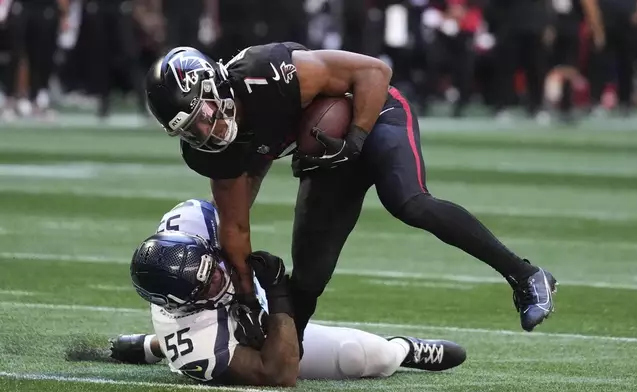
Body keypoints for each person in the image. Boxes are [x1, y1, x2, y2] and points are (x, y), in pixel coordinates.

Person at [143, 42, 558, 356]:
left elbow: (375, 72)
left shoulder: (264, 73)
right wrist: (248, 298)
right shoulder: (210, 150)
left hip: (372, 116)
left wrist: (356, 140)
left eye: (203, 113)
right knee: (308, 275)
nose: (206, 129)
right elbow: (235, 226)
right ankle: (289, 354)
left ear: (213, 82)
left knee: (408, 201)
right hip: (328, 153)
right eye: (191, 128)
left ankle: (526, 276)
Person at [109, 199, 467, 387]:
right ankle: (403, 349)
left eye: (214, 266)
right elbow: (279, 374)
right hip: (220, 334)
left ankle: (152, 345)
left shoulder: (192, 220)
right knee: (367, 358)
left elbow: (234, 199)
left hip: (222, 319)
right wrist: (278, 293)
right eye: (208, 285)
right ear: (183, 304)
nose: (221, 278)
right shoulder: (199, 343)